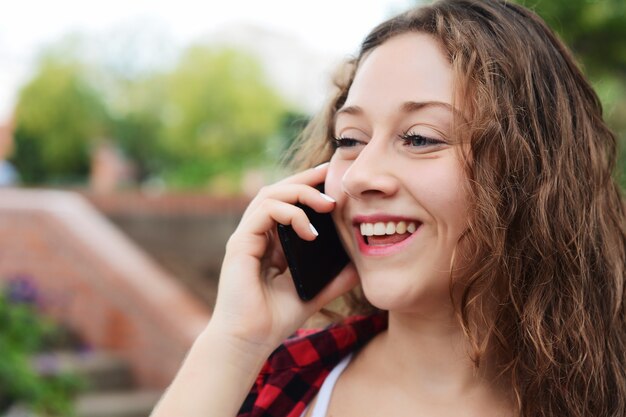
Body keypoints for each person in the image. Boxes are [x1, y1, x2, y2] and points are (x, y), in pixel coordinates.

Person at [150, 0, 626, 416]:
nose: (357, 176)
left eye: (419, 137)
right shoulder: (280, 382)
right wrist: (235, 342)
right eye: (349, 139)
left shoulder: (611, 390)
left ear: (533, 170)